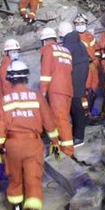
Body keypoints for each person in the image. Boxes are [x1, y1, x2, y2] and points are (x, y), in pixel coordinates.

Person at [0, 60, 61, 210]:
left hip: (12, 145)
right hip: (33, 145)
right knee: (33, 181)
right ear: (26, 77)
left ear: (10, 79)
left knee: (15, 179)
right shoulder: (37, 97)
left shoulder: (5, 100)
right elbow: (49, 122)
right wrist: (55, 143)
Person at [38, 26, 75, 156]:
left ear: (43, 40)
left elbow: (46, 73)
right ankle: (59, 148)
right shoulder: (65, 50)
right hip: (68, 89)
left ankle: (68, 152)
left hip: (56, 90)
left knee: (61, 121)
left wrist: (42, 92)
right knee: (62, 119)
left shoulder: (48, 50)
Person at [57, 20, 90, 146]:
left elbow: (64, 66)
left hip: (74, 80)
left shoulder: (68, 46)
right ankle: (78, 133)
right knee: (78, 106)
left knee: (75, 108)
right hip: (81, 78)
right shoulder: (79, 43)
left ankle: (78, 136)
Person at [74, 14, 99, 113]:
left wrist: (96, 61)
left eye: (82, 23)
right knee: (84, 91)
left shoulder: (90, 36)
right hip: (83, 69)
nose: (80, 25)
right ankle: (85, 113)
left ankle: (90, 112)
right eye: (78, 23)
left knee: (93, 90)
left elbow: (96, 50)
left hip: (93, 69)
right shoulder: (74, 38)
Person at [0, 38, 21, 103]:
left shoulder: (12, 63)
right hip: (9, 99)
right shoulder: (7, 65)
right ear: (7, 53)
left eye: (17, 52)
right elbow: (6, 85)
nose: (16, 54)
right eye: (14, 52)